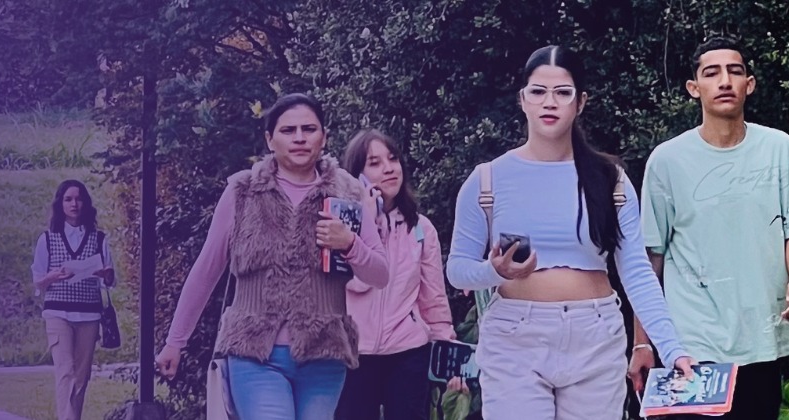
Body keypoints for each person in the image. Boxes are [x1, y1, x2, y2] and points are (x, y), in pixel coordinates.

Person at [445, 45, 696, 420]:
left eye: (562, 93)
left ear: (580, 103)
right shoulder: (487, 180)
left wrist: (672, 348)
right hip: (515, 335)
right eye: (538, 91)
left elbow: (637, 273)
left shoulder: (610, 180)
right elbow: (457, 268)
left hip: (595, 334)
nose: (550, 102)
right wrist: (494, 271)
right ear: (523, 99)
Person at [628, 36, 789, 419]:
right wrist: (643, 342)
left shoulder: (779, 149)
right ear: (694, 88)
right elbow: (650, 259)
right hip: (688, 346)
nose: (724, 81)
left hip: (761, 338)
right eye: (712, 72)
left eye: (734, 72)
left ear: (749, 84)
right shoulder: (667, 161)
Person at [154, 93, 390, 420]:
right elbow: (206, 270)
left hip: (323, 356)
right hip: (254, 354)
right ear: (269, 139)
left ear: (324, 137)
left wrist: (350, 243)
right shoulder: (243, 191)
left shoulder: (348, 192)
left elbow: (380, 274)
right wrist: (175, 341)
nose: (299, 138)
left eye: (308, 129)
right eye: (287, 130)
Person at [335, 129, 457, 420]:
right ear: (357, 175)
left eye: (393, 159)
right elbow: (355, 283)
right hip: (353, 353)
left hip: (407, 351)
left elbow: (434, 301)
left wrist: (449, 357)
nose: (389, 168)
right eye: (374, 163)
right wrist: (367, 222)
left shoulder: (420, 228)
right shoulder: (341, 225)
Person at [30, 179, 117, 420]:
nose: (74, 204)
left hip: (89, 314)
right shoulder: (47, 239)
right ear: (60, 204)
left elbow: (109, 279)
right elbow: (38, 280)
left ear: (85, 204)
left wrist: (106, 274)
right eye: (68, 199)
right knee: (65, 371)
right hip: (58, 313)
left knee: (81, 375)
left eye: (78, 199)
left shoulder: (99, 239)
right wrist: (53, 276)